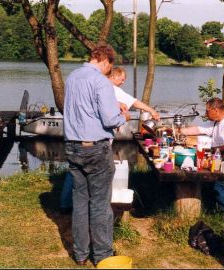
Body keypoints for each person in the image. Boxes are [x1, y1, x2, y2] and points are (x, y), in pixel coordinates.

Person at [60, 67, 160, 214]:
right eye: (121, 78)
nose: (123, 82)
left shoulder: (90, 84)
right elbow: (134, 102)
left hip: (78, 137)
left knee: (76, 171)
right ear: (113, 76)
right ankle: (94, 208)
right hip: (98, 140)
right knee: (97, 175)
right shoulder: (109, 87)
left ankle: (66, 204)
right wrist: (150, 111)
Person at [63, 44, 129, 266]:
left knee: (80, 201)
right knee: (100, 204)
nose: (109, 71)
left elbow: (83, 107)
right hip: (95, 148)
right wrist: (123, 118)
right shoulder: (101, 80)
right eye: (109, 66)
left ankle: (80, 254)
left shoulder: (72, 77)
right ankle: (102, 255)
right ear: (106, 61)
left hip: (72, 146)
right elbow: (110, 120)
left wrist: (113, 103)